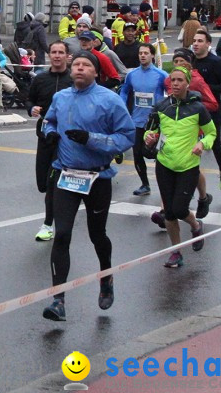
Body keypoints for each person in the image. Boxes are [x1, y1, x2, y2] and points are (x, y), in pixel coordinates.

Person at [39, 51, 134, 322]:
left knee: (97, 235)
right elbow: (49, 120)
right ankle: (58, 299)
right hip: (66, 175)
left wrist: (91, 139)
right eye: (76, 64)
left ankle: (106, 276)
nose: (79, 68)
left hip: (97, 178)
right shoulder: (61, 97)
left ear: (96, 72)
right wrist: (50, 133)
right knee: (62, 234)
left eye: (86, 65)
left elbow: (127, 136)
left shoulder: (110, 100)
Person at [143, 66, 213, 269]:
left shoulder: (197, 108)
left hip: (188, 166)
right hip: (164, 164)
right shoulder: (161, 106)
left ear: (187, 83)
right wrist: (148, 138)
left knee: (180, 209)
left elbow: (211, 133)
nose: (175, 83)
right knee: (170, 214)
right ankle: (176, 251)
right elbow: (150, 130)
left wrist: (202, 144)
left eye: (179, 80)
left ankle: (196, 225)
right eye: (172, 80)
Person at [27, 40, 72, 242]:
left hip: (66, 139)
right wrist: (31, 109)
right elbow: (28, 99)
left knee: (54, 183)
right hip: (44, 136)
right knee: (43, 183)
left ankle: (48, 224)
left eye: (60, 52)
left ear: (66, 56)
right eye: (53, 52)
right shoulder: (40, 79)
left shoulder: (73, 79)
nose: (56, 55)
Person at [120, 43, 168, 196]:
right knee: (137, 153)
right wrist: (122, 106)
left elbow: (171, 94)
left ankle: (168, 183)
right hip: (137, 121)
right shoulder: (132, 75)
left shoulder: (161, 75)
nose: (142, 56)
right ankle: (145, 185)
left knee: (158, 154)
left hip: (157, 122)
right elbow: (125, 91)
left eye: (146, 53)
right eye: (140, 53)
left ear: (152, 55)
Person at [190, 30, 221, 189]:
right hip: (192, 108)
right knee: (189, 142)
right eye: (194, 40)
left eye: (200, 41)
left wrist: (205, 88)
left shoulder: (216, 62)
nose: (195, 43)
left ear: (208, 44)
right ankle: (189, 179)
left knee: (214, 142)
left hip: (211, 108)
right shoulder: (190, 62)